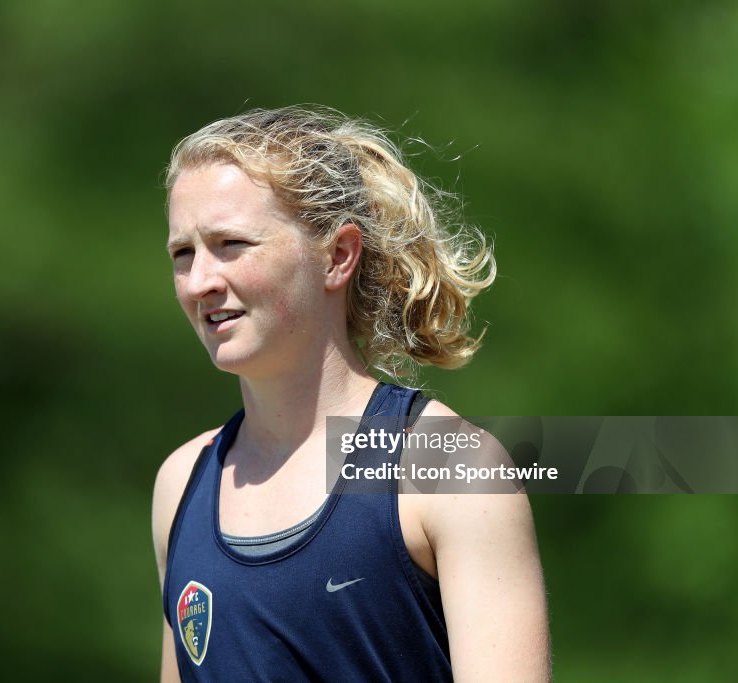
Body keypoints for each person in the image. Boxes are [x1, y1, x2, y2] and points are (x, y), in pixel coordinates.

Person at [152, 106, 550, 682]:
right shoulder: (181, 484)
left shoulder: (449, 469)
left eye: (231, 244)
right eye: (182, 254)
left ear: (337, 256)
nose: (199, 283)